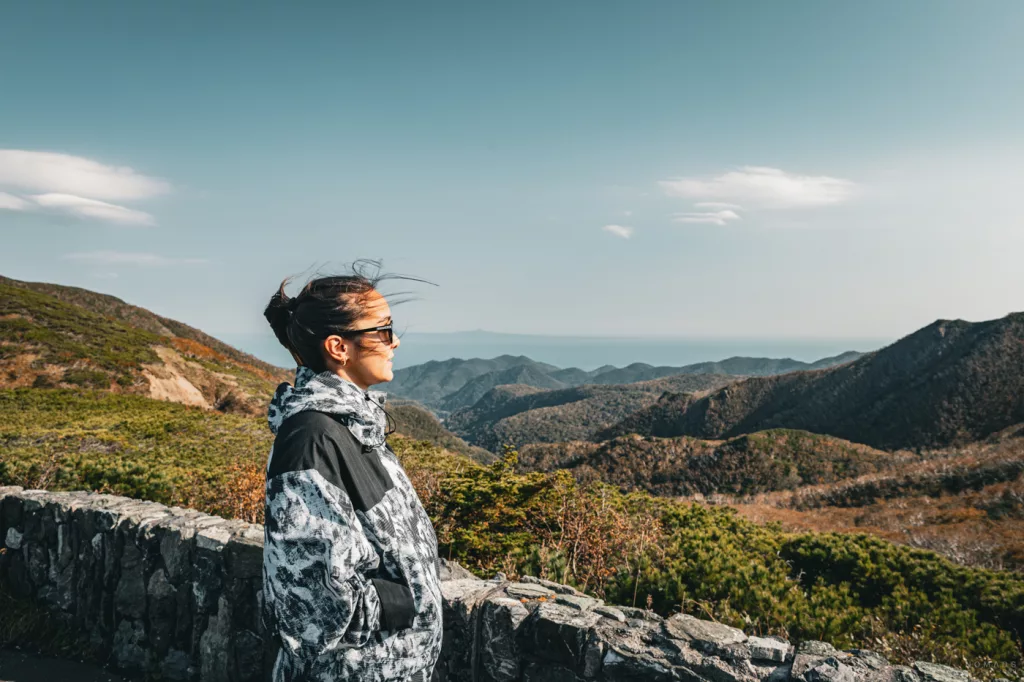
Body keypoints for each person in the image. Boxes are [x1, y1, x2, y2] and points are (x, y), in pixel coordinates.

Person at [261, 264, 442, 682]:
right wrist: (406, 599)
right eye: (382, 331)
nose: (394, 342)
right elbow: (309, 602)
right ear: (339, 347)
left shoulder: (351, 424)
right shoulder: (311, 437)